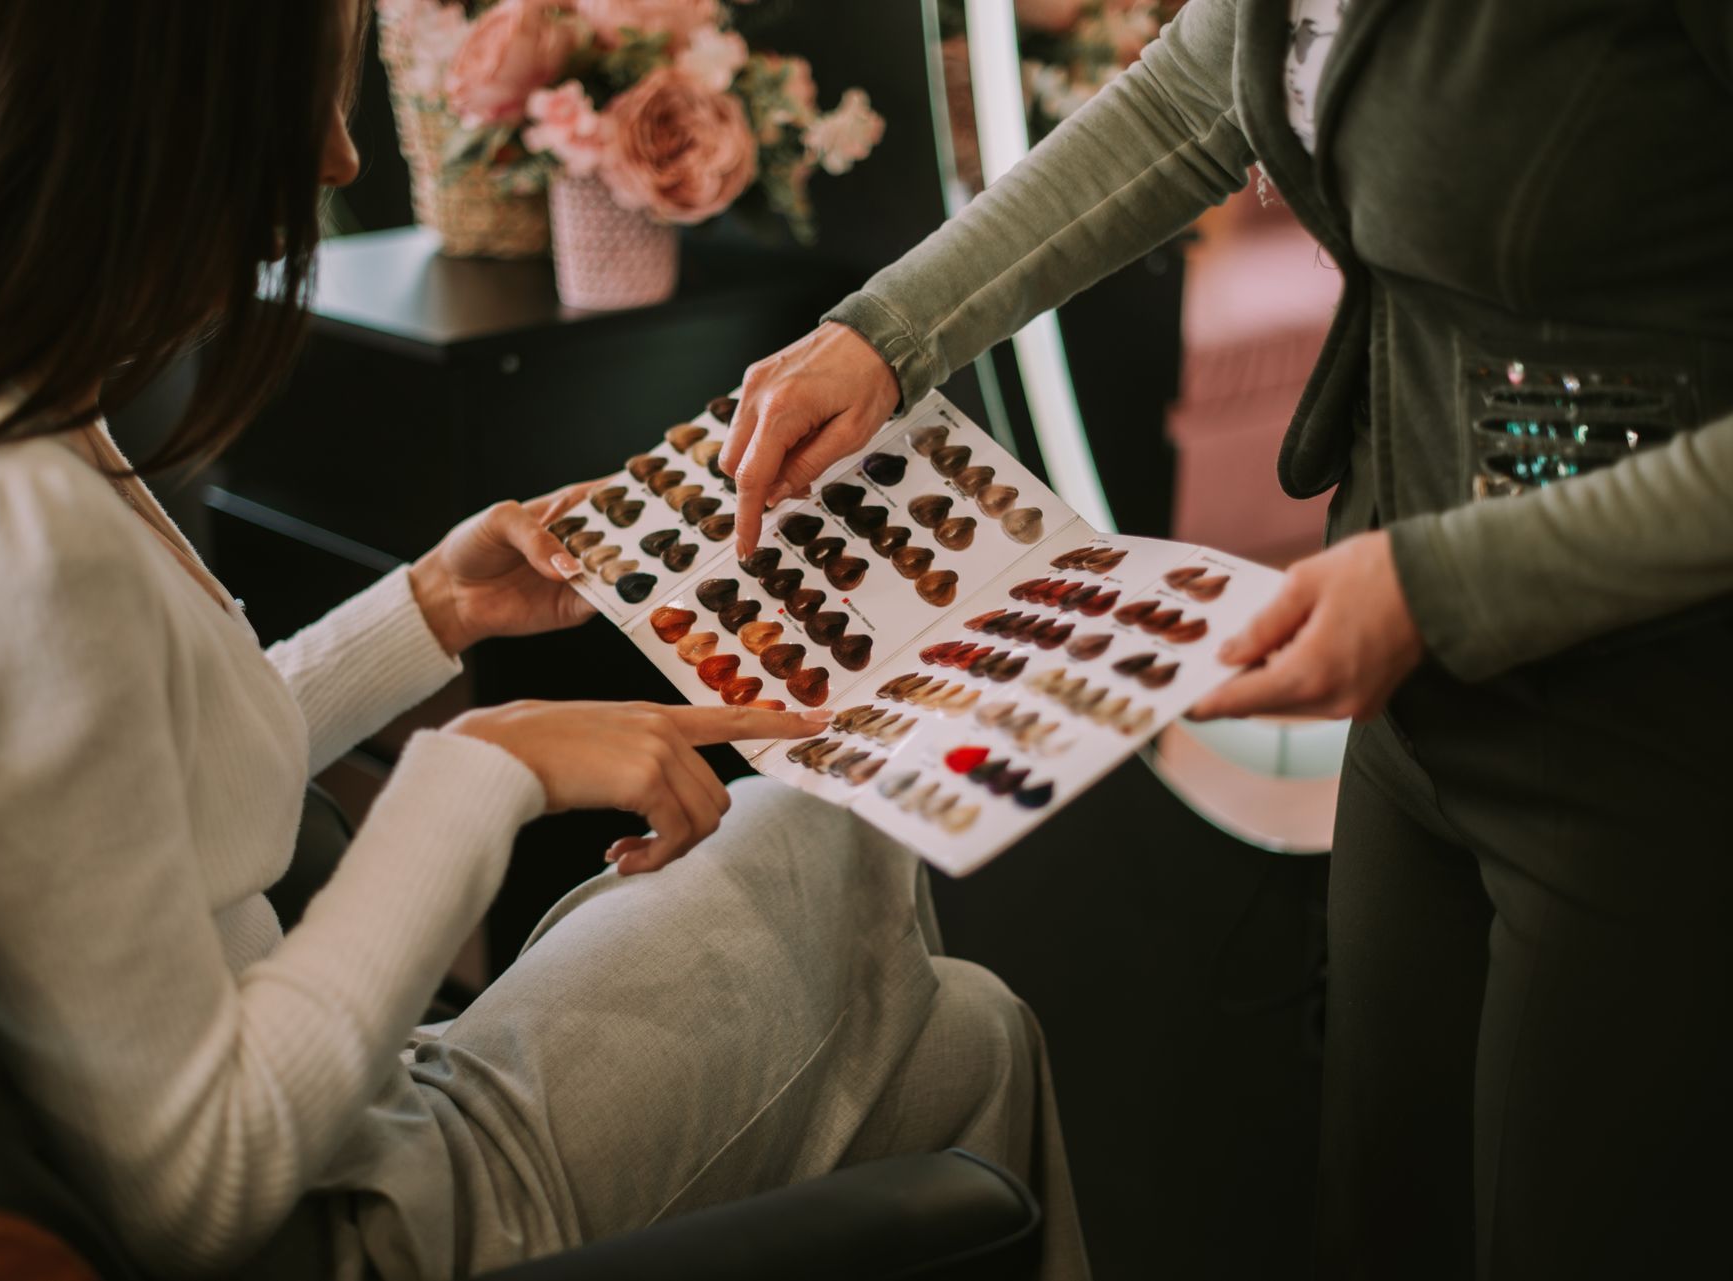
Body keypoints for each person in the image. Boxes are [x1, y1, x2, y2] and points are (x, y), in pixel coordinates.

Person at [0, 4, 1091, 1279]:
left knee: (971, 1042)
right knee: (826, 822)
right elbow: (202, 1190)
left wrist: (431, 609)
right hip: (359, 1218)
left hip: (345, 1133)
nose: (339, 159)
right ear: (152, 118)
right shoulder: (11, 533)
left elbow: (145, 790)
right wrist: (488, 769)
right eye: (307, 100)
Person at [720, 1, 1733, 1276]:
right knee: (1382, 1218)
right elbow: (1198, 97)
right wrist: (891, 330)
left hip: (1652, 718)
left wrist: (1450, 584)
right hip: (1419, 701)